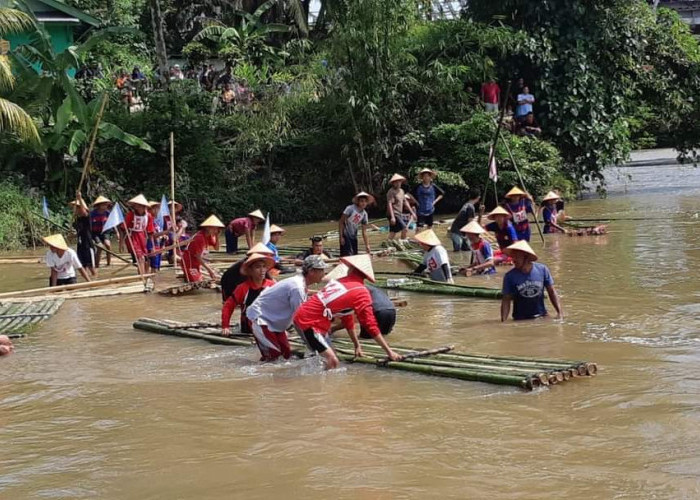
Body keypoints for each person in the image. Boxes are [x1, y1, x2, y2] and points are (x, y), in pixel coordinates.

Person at [292, 254, 402, 370]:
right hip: (309, 322)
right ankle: (319, 385)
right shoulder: (361, 292)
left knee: (327, 355)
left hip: (307, 319)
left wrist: (356, 345)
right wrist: (389, 351)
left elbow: (347, 318)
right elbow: (370, 325)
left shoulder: (340, 282)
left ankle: (310, 375)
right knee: (332, 360)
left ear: (351, 270)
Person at [246, 255, 330, 361]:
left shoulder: (301, 284)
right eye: (321, 270)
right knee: (273, 357)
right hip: (261, 319)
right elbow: (300, 322)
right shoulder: (297, 287)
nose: (324, 273)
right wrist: (315, 347)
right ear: (312, 271)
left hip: (274, 322)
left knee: (286, 355)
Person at [501, 241, 563, 321]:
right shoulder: (509, 276)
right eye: (513, 256)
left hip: (541, 316)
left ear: (526, 257)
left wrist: (560, 313)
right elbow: (506, 300)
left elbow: (551, 291)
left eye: (517, 256)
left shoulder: (542, 270)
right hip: (520, 319)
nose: (513, 260)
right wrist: (504, 321)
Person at [221, 253, 276, 336]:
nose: (262, 270)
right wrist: (225, 326)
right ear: (250, 270)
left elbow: (281, 306)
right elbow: (228, 307)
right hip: (248, 330)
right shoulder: (242, 288)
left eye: (264, 266)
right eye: (258, 267)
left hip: (268, 327)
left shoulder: (272, 286)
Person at [180, 215, 225, 282]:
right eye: (214, 228)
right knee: (196, 282)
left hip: (196, 263)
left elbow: (217, 248)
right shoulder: (199, 237)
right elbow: (198, 256)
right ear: (207, 228)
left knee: (200, 280)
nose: (216, 231)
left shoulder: (209, 236)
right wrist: (209, 270)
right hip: (189, 263)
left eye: (217, 229)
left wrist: (217, 236)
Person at [122, 194, 154, 275]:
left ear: (144, 207)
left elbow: (150, 232)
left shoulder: (148, 216)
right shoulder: (130, 215)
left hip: (142, 238)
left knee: (147, 259)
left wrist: (153, 246)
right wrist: (121, 243)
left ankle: (146, 276)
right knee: (140, 258)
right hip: (132, 237)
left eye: (140, 206)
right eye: (136, 206)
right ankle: (141, 278)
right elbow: (123, 228)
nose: (138, 208)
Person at [339, 192, 372, 256]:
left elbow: (364, 231)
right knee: (346, 255)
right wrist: (341, 237)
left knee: (354, 255)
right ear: (358, 202)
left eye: (365, 201)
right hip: (345, 235)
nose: (363, 203)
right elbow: (341, 222)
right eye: (362, 201)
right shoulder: (350, 209)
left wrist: (367, 245)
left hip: (354, 236)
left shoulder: (364, 214)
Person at [71, 195, 96, 278]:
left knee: (90, 266)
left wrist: (79, 198)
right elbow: (78, 233)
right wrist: (72, 235)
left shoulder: (87, 218)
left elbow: (85, 212)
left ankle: (95, 279)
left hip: (88, 245)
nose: (75, 209)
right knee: (82, 266)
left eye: (78, 207)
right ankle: (87, 281)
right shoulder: (77, 220)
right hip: (80, 245)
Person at [448, 188, 480, 252]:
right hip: (457, 231)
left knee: (467, 249)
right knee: (458, 249)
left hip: (458, 231)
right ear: (478, 197)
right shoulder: (471, 207)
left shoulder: (467, 204)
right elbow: (470, 224)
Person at [386, 173, 415, 240]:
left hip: (398, 213)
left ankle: (387, 243)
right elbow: (390, 204)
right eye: (396, 182)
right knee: (405, 228)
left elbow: (405, 202)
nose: (398, 183)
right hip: (393, 213)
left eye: (399, 181)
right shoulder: (391, 192)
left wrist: (412, 213)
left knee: (393, 231)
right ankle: (403, 241)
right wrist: (392, 217)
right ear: (393, 183)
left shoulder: (401, 191)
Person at [90, 196, 115, 268]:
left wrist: (118, 233)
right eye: (103, 204)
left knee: (108, 245)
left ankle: (108, 263)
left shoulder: (107, 213)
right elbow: (89, 224)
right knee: (100, 247)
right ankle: (97, 265)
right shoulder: (92, 214)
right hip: (95, 233)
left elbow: (112, 223)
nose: (105, 206)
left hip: (105, 232)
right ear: (98, 205)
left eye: (106, 204)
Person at [147, 201, 165, 272]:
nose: (158, 211)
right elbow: (152, 235)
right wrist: (166, 231)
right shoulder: (149, 220)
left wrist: (163, 236)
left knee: (157, 265)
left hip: (157, 244)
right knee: (153, 265)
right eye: (156, 208)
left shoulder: (156, 221)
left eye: (158, 208)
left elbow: (157, 233)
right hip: (151, 244)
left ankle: (155, 279)